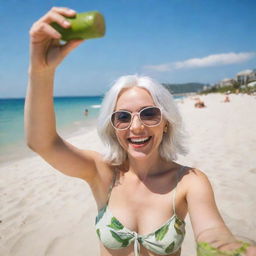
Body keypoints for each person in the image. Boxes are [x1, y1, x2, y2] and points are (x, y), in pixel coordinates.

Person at [25, 7, 256, 256]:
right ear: (113, 127)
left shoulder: (190, 182)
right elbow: (42, 142)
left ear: (166, 121)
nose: (136, 127)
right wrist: (40, 71)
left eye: (149, 113)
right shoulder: (102, 173)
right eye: (122, 117)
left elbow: (213, 232)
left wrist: (233, 249)